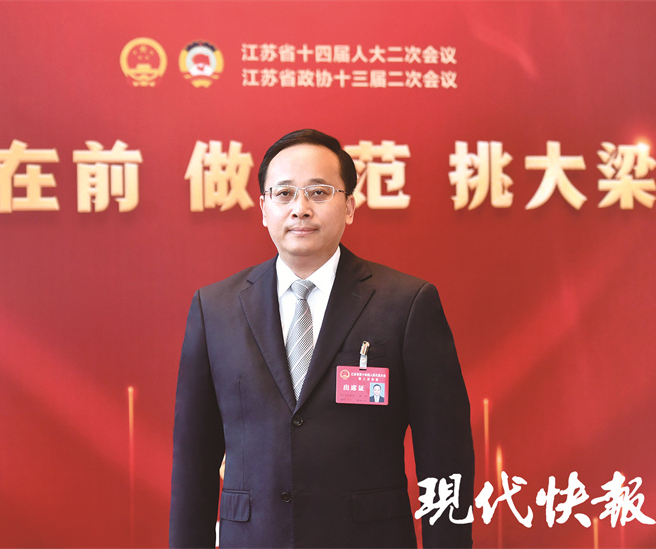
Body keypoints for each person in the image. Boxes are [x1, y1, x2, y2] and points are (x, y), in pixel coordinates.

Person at [170, 129, 474, 548]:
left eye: (318, 192)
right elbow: (194, 459)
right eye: (284, 194)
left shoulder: (406, 303)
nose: (300, 208)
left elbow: (444, 455)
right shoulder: (215, 308)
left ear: (349, 206)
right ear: (263, 208)